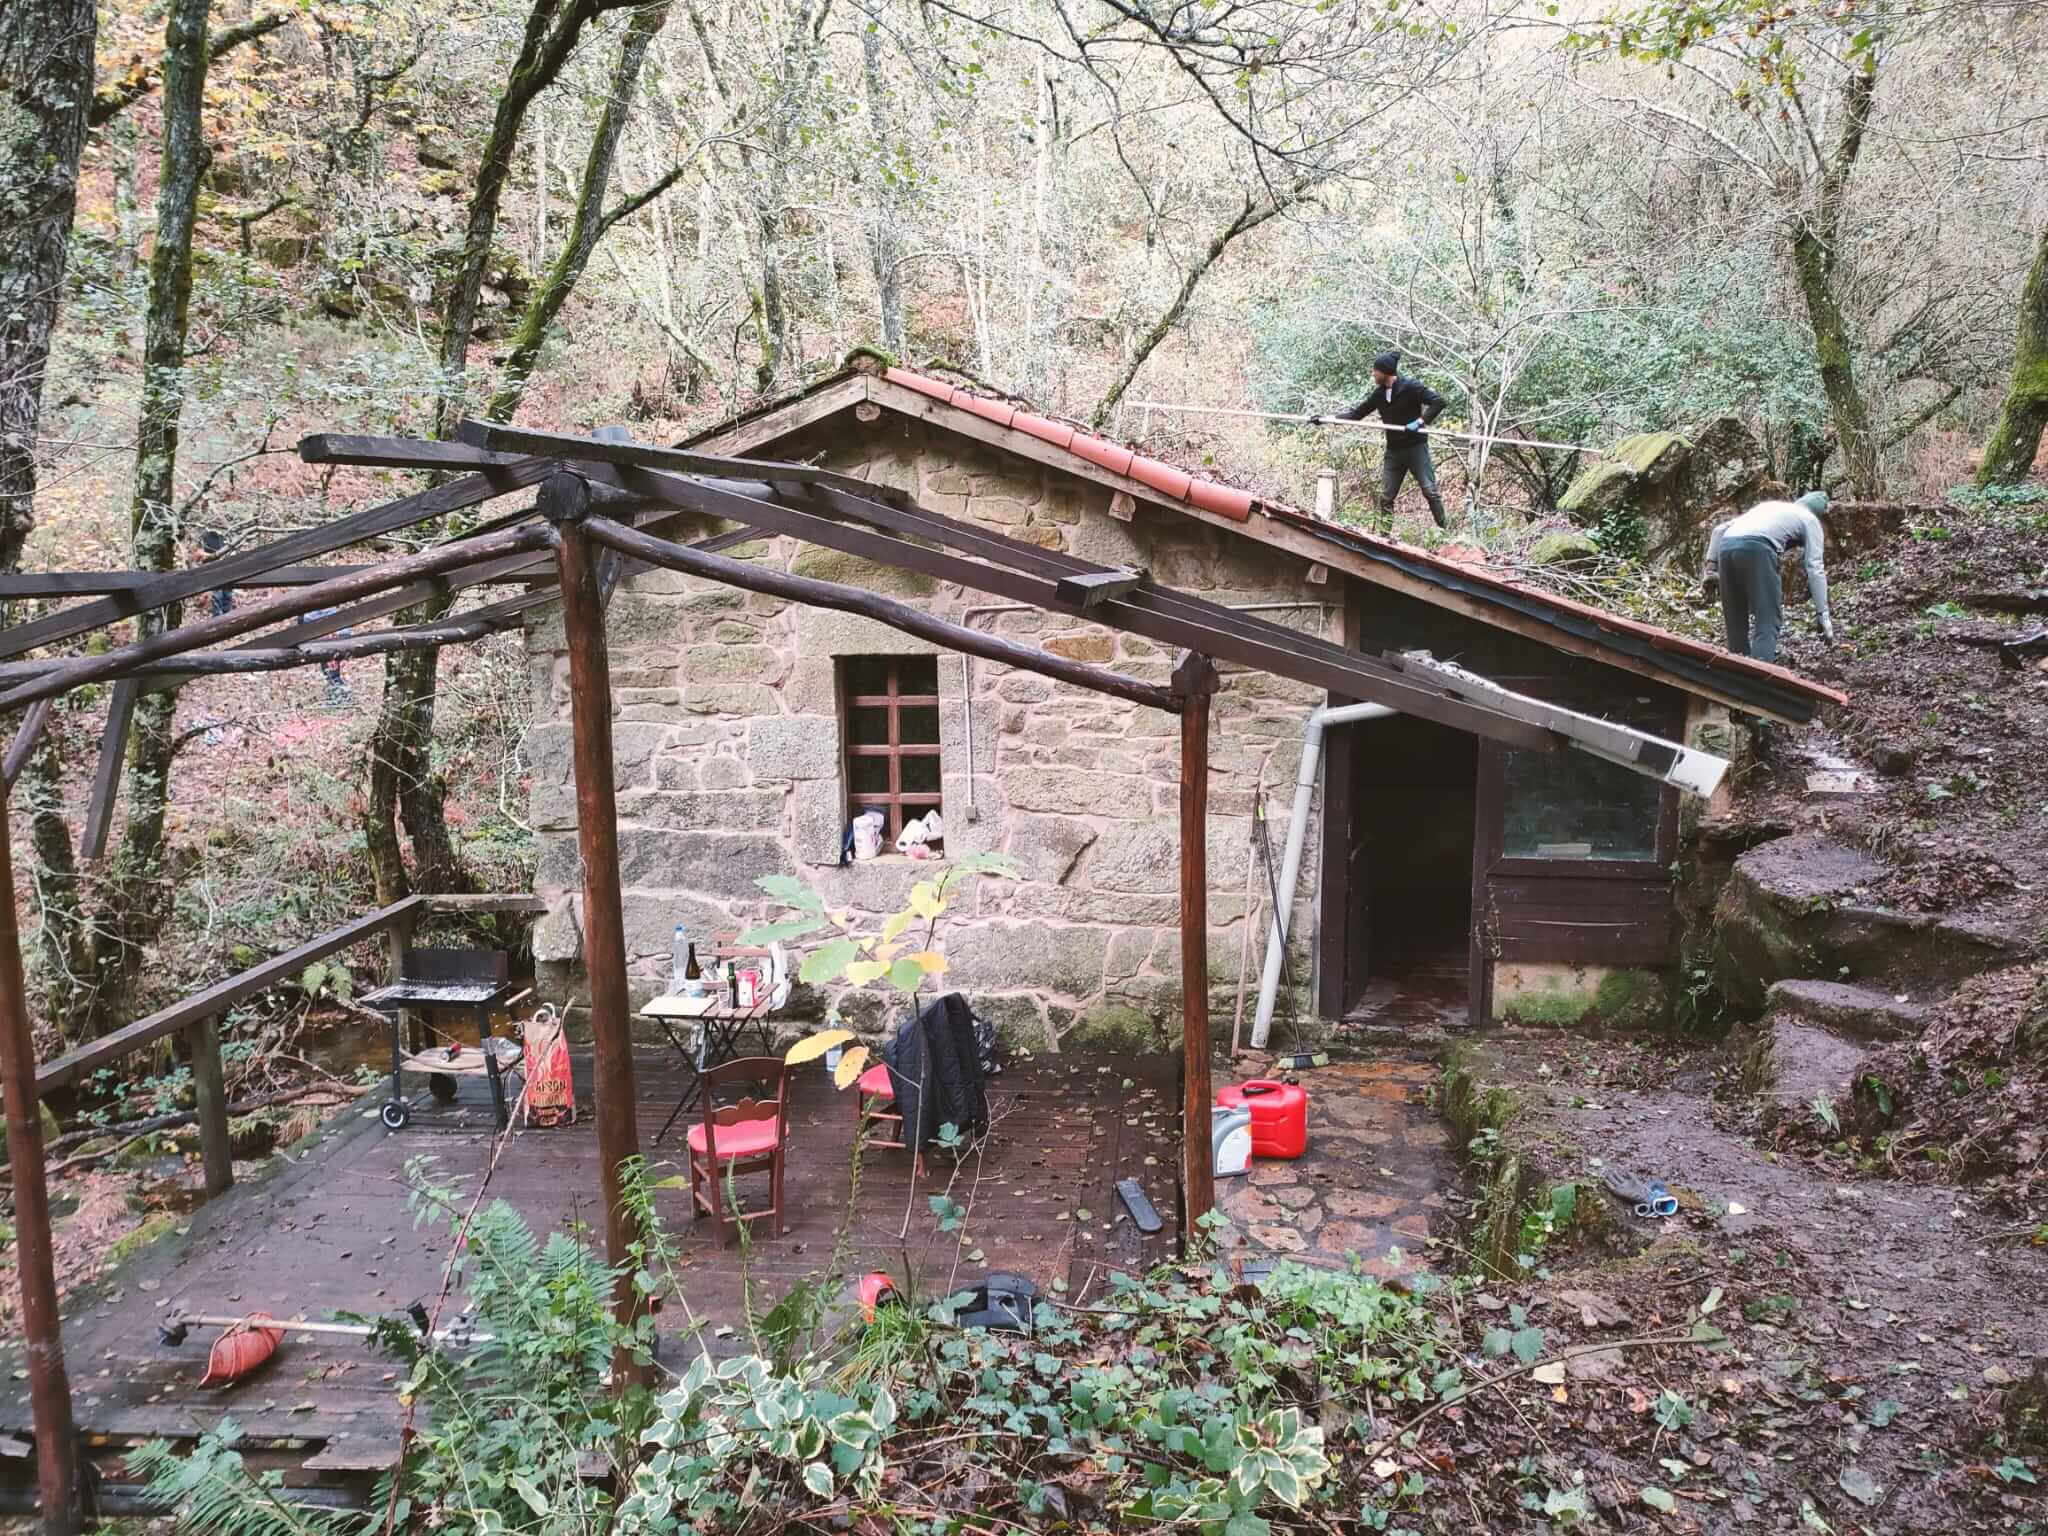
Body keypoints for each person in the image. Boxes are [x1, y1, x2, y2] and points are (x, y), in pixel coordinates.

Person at [1311, 350, 1450, 528]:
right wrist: (1325, 419)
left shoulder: (1411, 387)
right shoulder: (1379, 394)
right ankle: (1385, 537)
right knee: (1386, 497)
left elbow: (1439, 402)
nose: (1373, 373)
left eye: (1375, 370)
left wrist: (1420, 422)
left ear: (1386, 372)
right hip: (1394, 451)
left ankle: (1445, 531)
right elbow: (1356, 414)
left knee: (1430, 491)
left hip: (1416, 448)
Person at [1703, 490, 1835, 663]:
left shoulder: (1769, 508)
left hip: (1726, 547)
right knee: (1768, 617)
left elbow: (1719, 530)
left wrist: (1711, 568)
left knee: (1735, 619)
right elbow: (1815, 566)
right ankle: (1758, 674)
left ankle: (1736, 674)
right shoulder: (1810, 520)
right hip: (1758, 548)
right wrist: (1822, 614)